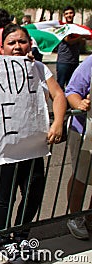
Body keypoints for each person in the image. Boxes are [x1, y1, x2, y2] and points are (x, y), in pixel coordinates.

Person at [0, 23, 66, 264]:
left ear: (29, 44)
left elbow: (59, 95)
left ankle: (22, 237)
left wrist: (58, 123)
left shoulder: (39, 69)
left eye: (22, 41)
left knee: (34, 192)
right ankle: (3, 241)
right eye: (11, 42)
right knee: (6, 196)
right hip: (5, 149)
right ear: (2, 47)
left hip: (33, 147)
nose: (17, 47)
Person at [65, 55, 92, 240]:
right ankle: (75, 217)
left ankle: (90, 215)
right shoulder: (90, 63)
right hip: (84, 131)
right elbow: (72, 91)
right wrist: (80, 103)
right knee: (81, 176)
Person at [56, 6, 86, 90]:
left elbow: (81, 43)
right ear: (64, 15)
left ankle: (69, 103)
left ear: (74, 14)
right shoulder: (62, 28)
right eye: (66, 13)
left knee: (72, 85)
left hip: (74, 61)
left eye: (71, 13)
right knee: (60, 86)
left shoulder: (77, 28)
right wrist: (80, 37)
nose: (69, 15)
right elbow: (68, 41)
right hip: (63, 61)